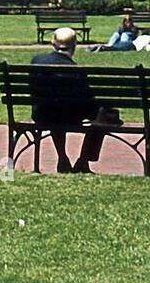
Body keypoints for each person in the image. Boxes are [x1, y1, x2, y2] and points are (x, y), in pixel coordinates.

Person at [30, 27, 107, 174]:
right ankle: (83, 161)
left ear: (53, 43)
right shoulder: (75, 70)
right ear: (75, 45)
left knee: (53, 109)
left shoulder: (37, 61)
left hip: (42, 114)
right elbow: (87, 101)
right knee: (103, 115)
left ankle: (62, 158)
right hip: (69, 116)